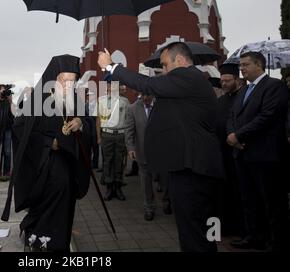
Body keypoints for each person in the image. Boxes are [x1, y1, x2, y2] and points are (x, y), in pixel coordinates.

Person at [98, 42, 224, 252]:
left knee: (193, 229)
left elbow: (148, 85)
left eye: (165, 65)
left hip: (194, 169)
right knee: (196, 229)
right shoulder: (188, 84)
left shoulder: (188, 77)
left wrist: (112, 67)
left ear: (180, 61)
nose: (163, 71)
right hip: (191, 166)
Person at [1, 55, 91, 252]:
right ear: (54, 78)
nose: (69, 85)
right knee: (45, 206)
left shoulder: (75, 99)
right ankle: (39, 240)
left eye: (72, 81)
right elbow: (20, 129)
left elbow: (88, 123)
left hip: (67, 164)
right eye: (64, 80)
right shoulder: (38, 98)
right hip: (43, 165)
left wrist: (81, 123)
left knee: (64, 205)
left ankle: (59, 244)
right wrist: (49, 142)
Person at [227, 52, 289, 251]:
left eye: (245, 65)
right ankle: (255, 236)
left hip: (265, 155)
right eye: (240, 65)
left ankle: (277, 241)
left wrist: (239, 136)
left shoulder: (274, 86)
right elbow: (233, 115)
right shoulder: (244, 90)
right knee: (249, 198)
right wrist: (232, 136)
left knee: (271, 201)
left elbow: (267, 116)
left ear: (259, 65)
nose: (241, 68)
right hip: (243, 154)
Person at [125, 92, 171, 221]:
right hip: (143, 152)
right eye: (143, 95)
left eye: (148, 95)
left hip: (162, 152)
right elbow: (129, 131)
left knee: (165, 180)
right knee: (146, 182)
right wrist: (131, 148)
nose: (145, 98)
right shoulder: (132, 108)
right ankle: (149, 207)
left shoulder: (161, 106)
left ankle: (167, 202)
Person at [215, 63, 244, 237]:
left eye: (227, 81)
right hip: (221, 155)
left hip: (238, 153)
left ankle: (242, 229)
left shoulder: (242, 98)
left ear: (237, 80)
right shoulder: (220, 101)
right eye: (222, 81)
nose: (224, 84)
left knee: (239, 193)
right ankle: (224, 228)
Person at [96, 81, 130, 201]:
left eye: (115, 86)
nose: (112, 88)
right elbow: (98, 120)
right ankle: (109, 187)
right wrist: (98, 137)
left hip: (120, 135)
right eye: (110, 86)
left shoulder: (125, 101)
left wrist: (127, 138)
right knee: (108, 161)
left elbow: (128, 120)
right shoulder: (101, 100)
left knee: (119, 161)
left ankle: (118, 187)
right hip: (107, 135)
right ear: (108, 88)